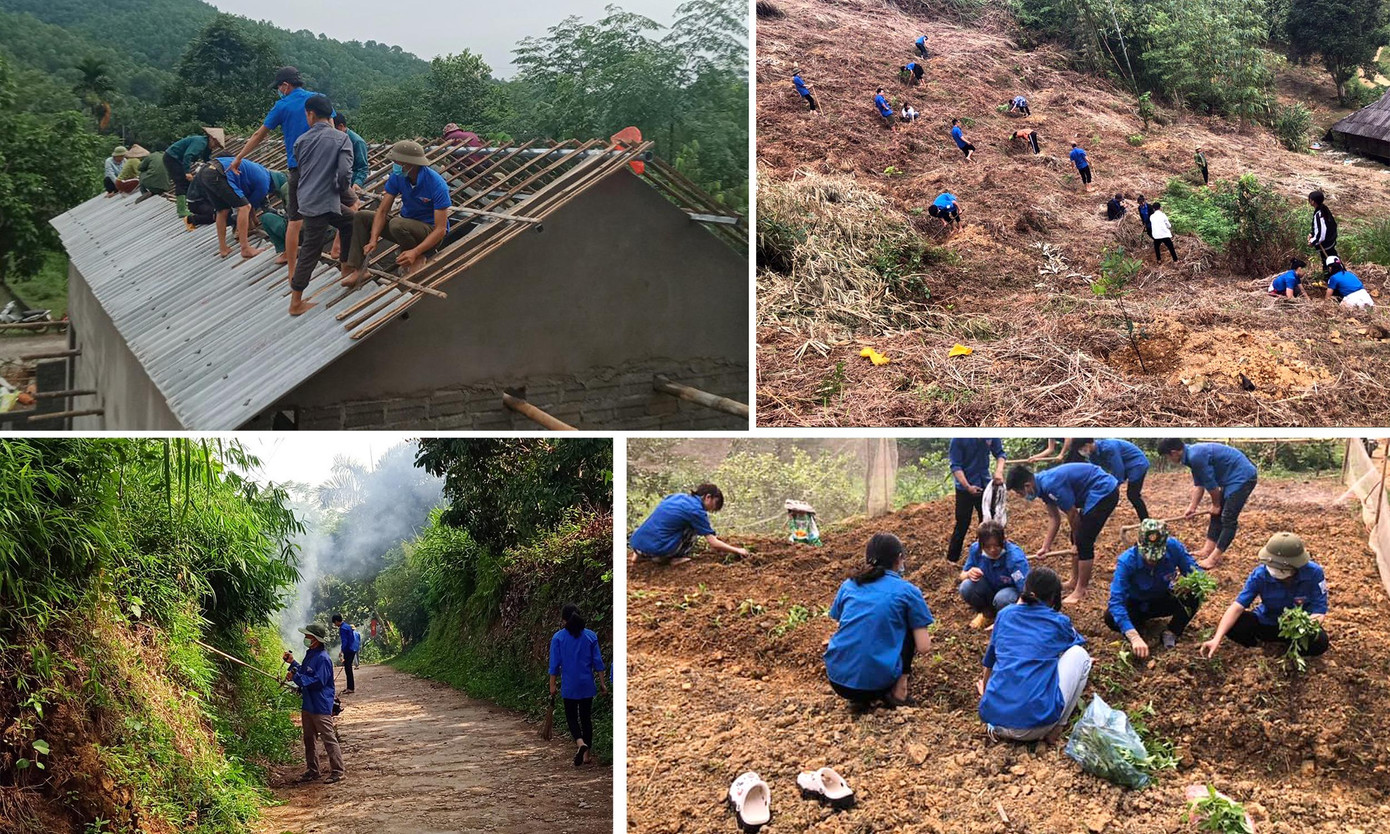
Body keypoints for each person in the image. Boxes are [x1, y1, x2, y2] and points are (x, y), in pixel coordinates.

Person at [230, 66, 330, 283]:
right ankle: (341, 253)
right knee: (338, 209)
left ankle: (293, 271)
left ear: (285, 86)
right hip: (323, 165)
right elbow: (332, 129)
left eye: (279, 87)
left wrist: (239, 157)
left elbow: (259, 134)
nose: (279, 91)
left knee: (295, 220)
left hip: (299, 168)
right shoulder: (318, 99)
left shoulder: (282, 105)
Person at [977, 568, 1091, 743]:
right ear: (1054, 597)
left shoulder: (1004, 615)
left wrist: (985, 693)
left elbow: (990, 660)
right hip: (1034, 726)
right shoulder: (1058, 621)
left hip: (994, 720)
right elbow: (1075, 643)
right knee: (1080, 655)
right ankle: (1058, 727)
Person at [824, 533, 933, 709]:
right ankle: (899, 690)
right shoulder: (907, 591)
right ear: (899, 559)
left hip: (837, 680)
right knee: (908, 626)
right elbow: (924, 647)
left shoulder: (849, 585)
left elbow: (842, 620)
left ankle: (860, 695)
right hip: (877, 684)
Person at [1200, 532, 1329, 659]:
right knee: (1236, 625)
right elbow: (1237, 606)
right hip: (1267, 622)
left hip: (1296, 628)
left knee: (1319, 642)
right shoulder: (1260, 574)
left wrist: (1304, 627)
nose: (1273, 569)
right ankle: (1259, 648)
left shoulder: (1314, 573)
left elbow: (1319, 610)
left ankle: (1289, 650)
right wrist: (1217, 638)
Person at [1005, 462, 1119, 604]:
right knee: (1076, 538)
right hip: (1094, 491)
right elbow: (1054, 518)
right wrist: (1045, 547)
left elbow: (1072, 514)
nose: (1021, 496)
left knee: (1083, 541)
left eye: (1020, 493)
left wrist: (1077, 544)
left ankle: (1080, 590)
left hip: (1104, 490)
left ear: (1027, 485)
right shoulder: (1041, 487)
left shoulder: (1050, 485)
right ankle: (1073, 580)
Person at [344, 140, 452, 288]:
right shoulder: (398, 176)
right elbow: (382, 211)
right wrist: (373, 239)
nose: (395, 164)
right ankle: (359, 270)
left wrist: (415, 251)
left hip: (429, 231)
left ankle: (419, 256)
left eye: (397, 162)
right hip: (406, 226)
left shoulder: (436, 184)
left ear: (410, 163)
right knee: (361, 216)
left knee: (397, 224)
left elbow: (440, 230)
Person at [288, 94, 358, 316]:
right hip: (323, 201)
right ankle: (296, 301)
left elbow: (303, 171)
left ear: (310, 114)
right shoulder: (341, 138)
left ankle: (346, 268)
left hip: (309, 198)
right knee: (311, 248)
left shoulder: (301, 141)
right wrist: (345, 192)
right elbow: (345, 173)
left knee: (350, 221)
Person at [1105, 519, 1204, 657]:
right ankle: (1138, 628)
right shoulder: (1127, 561)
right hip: (1136, 604)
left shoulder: (1174, 547)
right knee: (1110, 617)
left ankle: (1172, 632)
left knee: (1195, 594)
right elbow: (1116, 601)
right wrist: (1133, 636)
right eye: (1148, 556)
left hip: (1162, 598)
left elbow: (1195, 571)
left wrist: (1192, 583)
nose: (1152, 560)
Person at [1157, 439, 1258, 570]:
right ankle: (1207, 550)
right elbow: (1199, 485)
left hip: (1242, 477)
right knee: (1216, 514)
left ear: (1174, 452)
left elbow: (1212, 486)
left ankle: (1213, 559)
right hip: (1231, 478)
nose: (1168, 460)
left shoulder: (1195, 456)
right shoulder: (1191, 456)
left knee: (1228, 518)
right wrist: (1192, 507)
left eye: (1167, 457)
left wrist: (1216, 505)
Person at [282, 623, 345, 783]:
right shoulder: (310, 654)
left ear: (316, 639)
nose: (305, 639)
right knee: (309, 738)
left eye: (308, 636)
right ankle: (312, 770)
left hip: (320, 704)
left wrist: (295, 678)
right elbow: (304, 671)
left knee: (328, 738)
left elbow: (317, 681)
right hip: (308, 704)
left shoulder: (323, 659)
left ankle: (338, 771)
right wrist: (293, 663)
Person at [548, 603, 608, 767]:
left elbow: (554, 664)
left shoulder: (558, 638)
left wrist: (552, 685)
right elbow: (598, 663)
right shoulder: (590, 636)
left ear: (563, 620)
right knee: (586, 718)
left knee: (571, 717)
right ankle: (587, 756)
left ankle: (580, 743)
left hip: (570, 686)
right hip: (587, 684)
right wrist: (602, 683)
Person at [629, 484, 748, 565]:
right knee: (692, 528)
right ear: (708, 497)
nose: (710, 510)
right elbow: (713, 543)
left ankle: (638, 556)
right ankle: (672, 559)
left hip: (637, 544)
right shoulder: (696, 511)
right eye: (714, 505)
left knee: (663, 523)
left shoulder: (676, 497)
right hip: (657, 551)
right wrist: (737, 550)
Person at [186, 157, 272, 261]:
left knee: (222, 211)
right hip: (217, 173)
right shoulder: (264, 180)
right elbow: (250, 206)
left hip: (206, 171)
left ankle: (223, 248)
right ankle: (245, 248)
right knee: (244, 207)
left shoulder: (257, 170)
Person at [947, 438, 1007, 563]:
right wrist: (968, 486)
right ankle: (952, 560)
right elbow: (955, 466)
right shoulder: (958, 439)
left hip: (985, 486)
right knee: (962, 524)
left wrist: (999, 472)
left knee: (988, 523)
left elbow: (1000, 454)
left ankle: (986, 556)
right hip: (964, 489)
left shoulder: (991, 434)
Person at [959, 521, 1029, 624]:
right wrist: (968, 573)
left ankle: (1006, 618)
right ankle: (987, 613)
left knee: (1002, 599)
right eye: (987, 547)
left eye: (996, 545)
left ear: (1003, 541)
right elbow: (962, 575)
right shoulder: (976, 550)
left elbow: (1025, 592)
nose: (992, 550)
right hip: (988, 589)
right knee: (966, 586)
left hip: (1010, 593)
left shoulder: (1014, 559)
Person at [1076, 438, 1150, 520]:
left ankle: (1145, 521)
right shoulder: (1092, 455)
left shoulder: (1109, 448)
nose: (1082, 451)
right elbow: (1097, 472)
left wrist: (1113, 489)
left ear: (1087, 445)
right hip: (1124, 464)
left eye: (1081, 449)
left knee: (1133, 495)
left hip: (1137, 463)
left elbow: (1119, 470)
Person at [164, 127, 225, 217]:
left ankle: (187, 206)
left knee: (188, 184)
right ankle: (181, 210)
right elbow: (188, 155)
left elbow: (207, 160)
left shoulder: (207, 148)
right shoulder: (201, 142)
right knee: (181, 182)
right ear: (211, 138)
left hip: (178, 159)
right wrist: (187, 172)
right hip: (172, 157)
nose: (215, 146)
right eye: (216, 144)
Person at [334, 113, 371, 193]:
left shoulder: (357, 142)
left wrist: (357, 183)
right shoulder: (334, 140)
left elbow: (363, 168)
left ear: (340, 126)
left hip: (349, 184)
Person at [1307, 190, 1337, 273]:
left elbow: (1321, 232)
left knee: (1328, 262)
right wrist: (1312, 233)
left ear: (1313, 201)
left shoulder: (1319, 214)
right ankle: (1340, 275)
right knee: (1334, 259)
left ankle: (1329, 279)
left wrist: (1313, 242)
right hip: (1330, 240)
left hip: (1325, 243)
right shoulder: (1323, 208)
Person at [331, 613, 358, 693]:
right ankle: (350, 687)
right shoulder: (348, 626)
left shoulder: (342, 628)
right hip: (352, 649)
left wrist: (342, 651)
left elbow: (344, 641)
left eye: (334, 623)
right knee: (348, 667)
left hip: (348, 650)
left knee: (348, 668)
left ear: (336, 621)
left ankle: (350, 688)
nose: (335, 625)